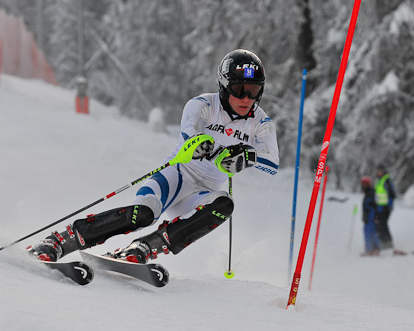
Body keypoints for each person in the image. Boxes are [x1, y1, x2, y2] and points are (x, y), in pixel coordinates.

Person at [28, 49, 279, 264]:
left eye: (253, 90)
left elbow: (272, 163)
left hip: (203, 193)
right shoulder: (203, 104)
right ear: (224, 86)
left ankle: (145, 248)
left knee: (225, 205)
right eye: (239, 88)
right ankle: (61, 240)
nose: (246, 98)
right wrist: (206, 147)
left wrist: (248, 155)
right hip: (176, 177)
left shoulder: (260, 122)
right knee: (143, 215)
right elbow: (189, 135)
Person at [374, 164, 395, 249]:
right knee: (378, 223)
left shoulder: (386, 180)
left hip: (386, 206)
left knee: (383, 223)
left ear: (384, 171)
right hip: (379, 206)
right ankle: (382, 241)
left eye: (381, 170)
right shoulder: (379, 180)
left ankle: (388, 241)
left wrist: (389, 205)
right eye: (378, 170)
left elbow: (392, 194)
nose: (379, 172)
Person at [360, 176, 380, 256]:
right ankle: (375, 249)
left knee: (368, 232)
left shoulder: (370, 192)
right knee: (372, 232)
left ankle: (370, 250)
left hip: (371, 216)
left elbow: (373, 205)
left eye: (365, 184)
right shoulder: (369, 192)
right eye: (362, 184)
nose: (363, 185)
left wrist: (373, 216)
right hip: (370, 216)